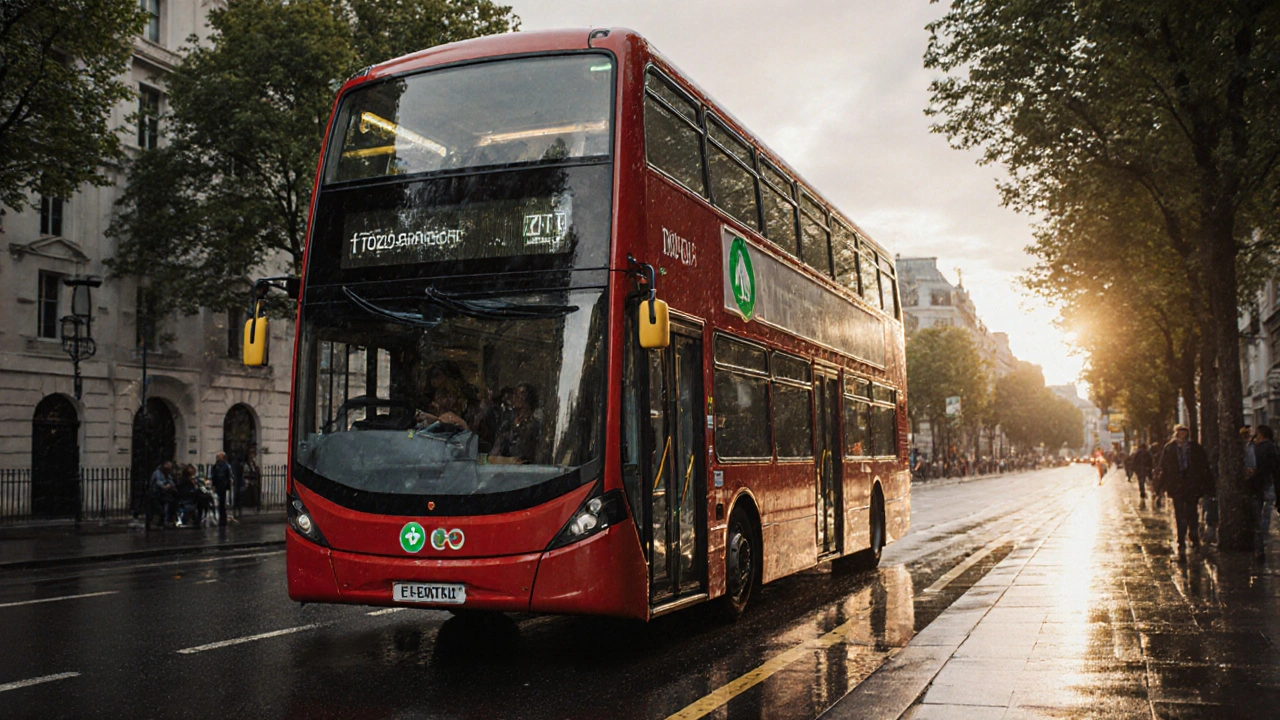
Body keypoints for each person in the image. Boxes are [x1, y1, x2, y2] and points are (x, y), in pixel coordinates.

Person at [1157, 425, 1213, 563]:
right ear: (1176, 434)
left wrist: (1207, 486)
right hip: (1176, 486)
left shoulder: (1195, 448)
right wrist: (1160, 488)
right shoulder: (1169, 449)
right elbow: (1163, 469)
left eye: (1184, 433)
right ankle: (1181, 540)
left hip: (1192, 486)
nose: (1182, 435)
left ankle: (1193, 535)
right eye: (1179, 433)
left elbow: (1204, 467)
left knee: (1192, 512)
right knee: (1179, 514)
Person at [490, 383, 541, 464]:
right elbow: (492, 457)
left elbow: (528, 457)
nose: (518, 397)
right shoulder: (507, 424)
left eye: (523, 394)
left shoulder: (535, 425)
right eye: (517, 394)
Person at [1249, 425, 1278, 562]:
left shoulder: (1255, 448)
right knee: (1266, 514)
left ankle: (1258, 541)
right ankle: (1261, 539)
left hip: (1257, 485)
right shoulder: (1273, 447)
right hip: (1268, 484)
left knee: (1258, 515)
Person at [145, 461, 176, 531]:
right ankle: (157, 522)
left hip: (164, 494)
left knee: (168, 505)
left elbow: (171, 481)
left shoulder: (167, 475)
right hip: (155, 494)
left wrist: (172, 486)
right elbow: (157, 483)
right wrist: (165, 486)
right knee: (158, 509)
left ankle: (164, 521)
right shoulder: (157, 473)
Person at [237, 444, 261, 522]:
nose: (252, 456)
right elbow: (246, 473)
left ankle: (256, 506)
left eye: (253, 454)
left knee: (256, 492)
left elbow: (256, 472)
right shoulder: (246, 465)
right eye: (251, 454)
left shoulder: (254, 464)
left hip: (254, 482)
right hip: (249, 482)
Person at [211, 452, 233, 527]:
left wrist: (227, 485)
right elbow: (213, 475)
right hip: (218, 485)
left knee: (222, 503)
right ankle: (221, 518)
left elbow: (228, 476)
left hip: (222, 486)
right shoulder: (216, 466)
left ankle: (223, 518)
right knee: (220, 503)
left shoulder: (225, 466)